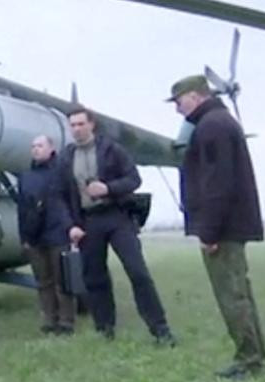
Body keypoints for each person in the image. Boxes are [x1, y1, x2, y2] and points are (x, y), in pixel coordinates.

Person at [168, 74, 265, 380]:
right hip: (229, 225)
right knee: (240, 294)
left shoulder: (212, 127)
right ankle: (255, 357)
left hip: (223, 229)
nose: (177, 109)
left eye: (179, 101)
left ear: (196, 96)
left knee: (232, 296)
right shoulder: (218, 122)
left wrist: (209, 232)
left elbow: (217, 184)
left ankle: (250, 362)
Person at [57, 107, 176, 345]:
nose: (77, 129)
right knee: (94, 277)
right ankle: (104, 329)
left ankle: (160, 329)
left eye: (81, 124)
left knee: (138, 272)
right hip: (88, 222)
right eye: (73, 125)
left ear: (92, 125)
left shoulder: (111, 149)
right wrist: (70, 225)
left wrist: (108, 188)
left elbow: (134, 179)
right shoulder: (66, 157)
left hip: (116, 216)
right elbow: (59, 196)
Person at [17, 135, 76, 336]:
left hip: (58, 233)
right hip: (35, 236)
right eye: (33, 146)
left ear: (51, 149)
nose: (35, 149)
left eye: (40, 146)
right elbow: (22, 208)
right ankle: (49, 320)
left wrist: (73, 227)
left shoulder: (63, 172)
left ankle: (66, 321)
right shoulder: (25, 176)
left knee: (62, 281)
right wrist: (24, 236)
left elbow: (71, 201)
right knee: (43, 281)